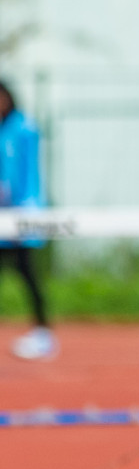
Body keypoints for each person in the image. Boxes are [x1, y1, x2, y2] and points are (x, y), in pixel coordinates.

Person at [0, 79, 55, 360]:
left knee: (28, 274)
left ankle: (43, 334)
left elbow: (21, 176)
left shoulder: (23, 128)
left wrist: (22, 208)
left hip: (22, 216)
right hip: (3, 218)